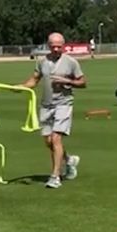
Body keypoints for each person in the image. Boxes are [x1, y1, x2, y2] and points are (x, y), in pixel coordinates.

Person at [22, 32, 86, 189]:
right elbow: (34, 80)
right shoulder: (42, 62)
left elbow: (83, 82)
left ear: (63, 45)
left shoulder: (71, 62)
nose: (56, 49)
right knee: (49, 142)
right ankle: (69, 160)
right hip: (46, 105)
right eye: (53, 46)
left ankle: (55, 177)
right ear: (48, 46)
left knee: (56, 138)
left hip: (64, 104)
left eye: (59, 46)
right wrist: (19, 87)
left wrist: (67, 81)